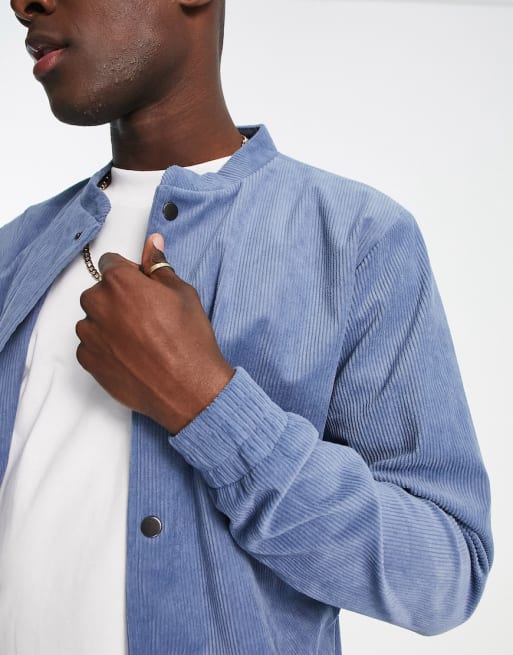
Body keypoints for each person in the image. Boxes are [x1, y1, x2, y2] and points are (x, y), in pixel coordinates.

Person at [0, 0, 493, 653]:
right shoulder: (14, 252)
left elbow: (444, 572)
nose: (22, 4)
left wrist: (206, 402)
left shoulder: (357, 240)